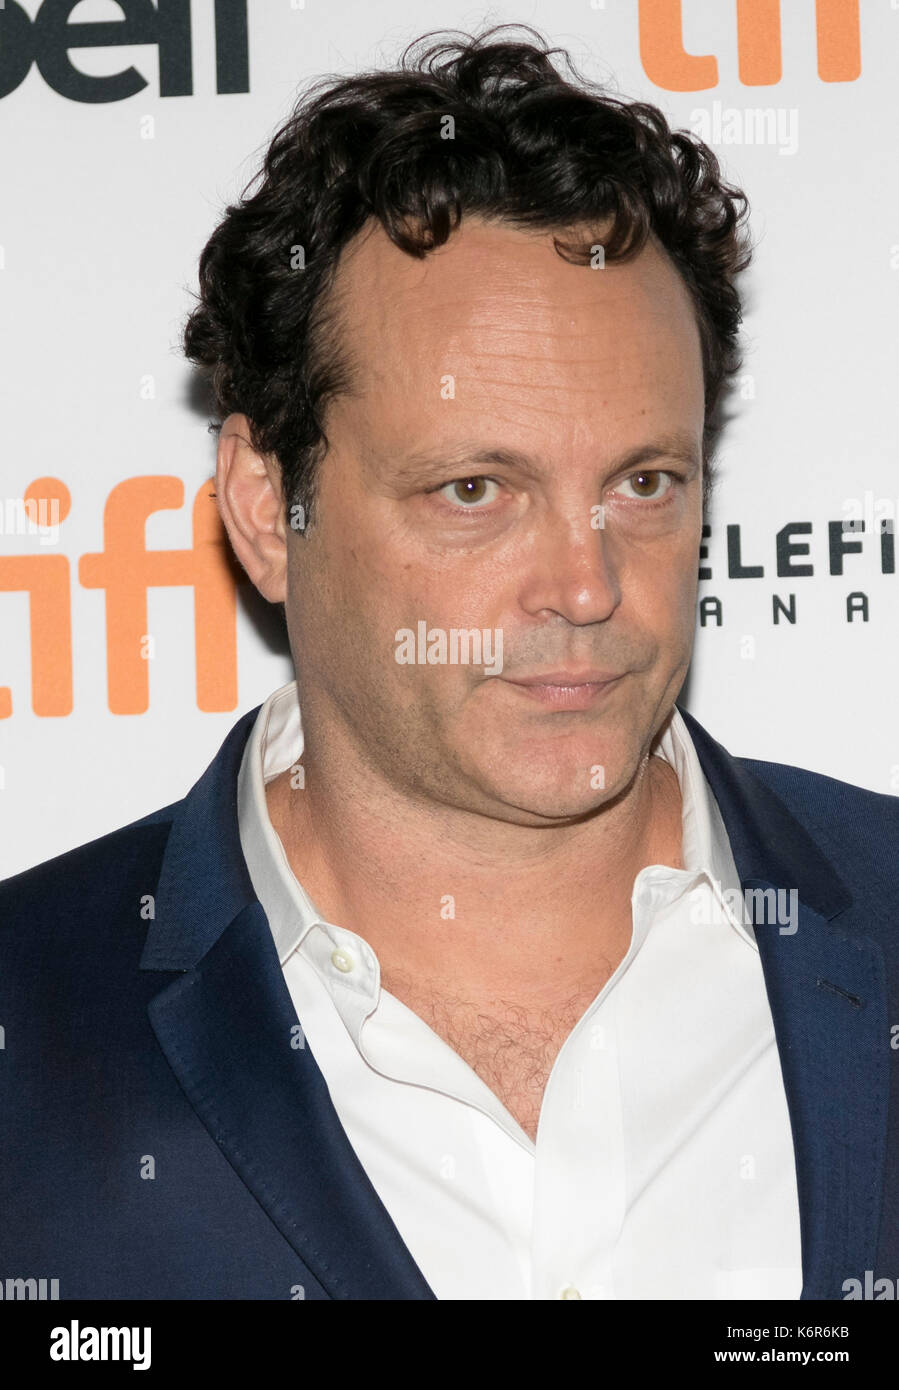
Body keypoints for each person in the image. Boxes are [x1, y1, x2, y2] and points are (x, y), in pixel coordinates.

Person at [2, 24, 897, 1302]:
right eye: (474, 489)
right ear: (266, 507)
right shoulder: (31, 1025)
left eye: (644, 483)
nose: (585, 585)